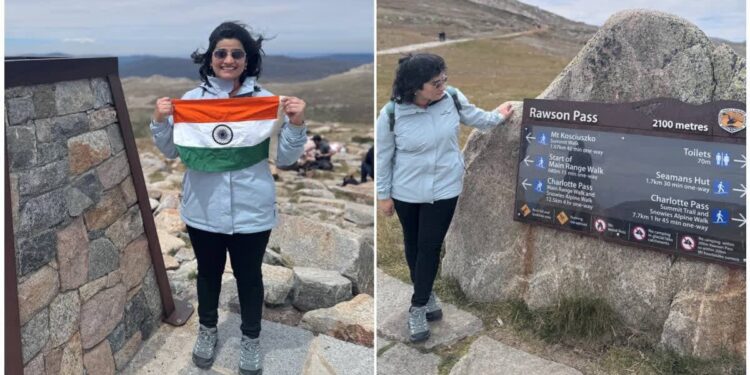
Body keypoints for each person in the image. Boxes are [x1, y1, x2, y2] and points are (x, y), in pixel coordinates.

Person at [150, 21, 307, 375]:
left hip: (252, 209)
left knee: (249, 276)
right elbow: (173, 152)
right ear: (211, 57)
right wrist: (160, 121)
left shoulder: (265, 101)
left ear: (248, 59)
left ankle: (251, 338)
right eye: (221, 53)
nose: (228, 59)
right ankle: (207, 331)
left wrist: (296, 125)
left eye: (237, 53)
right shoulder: (191, 101)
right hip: (203, 209)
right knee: (208, 274)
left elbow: (284, 159)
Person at [376, 53, 513, 343]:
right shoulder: (391, 113)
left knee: (429, 246)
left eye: (444, 79)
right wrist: (383, 195)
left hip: (444, 189)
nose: (442, 86)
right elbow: (383, 157)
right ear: (415, 86)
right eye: (435, 83)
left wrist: (500, 114)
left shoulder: (452, 98)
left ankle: (417, 305)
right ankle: (427, 295)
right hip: (406, 192)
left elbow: (480, 119)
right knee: (412, 244)